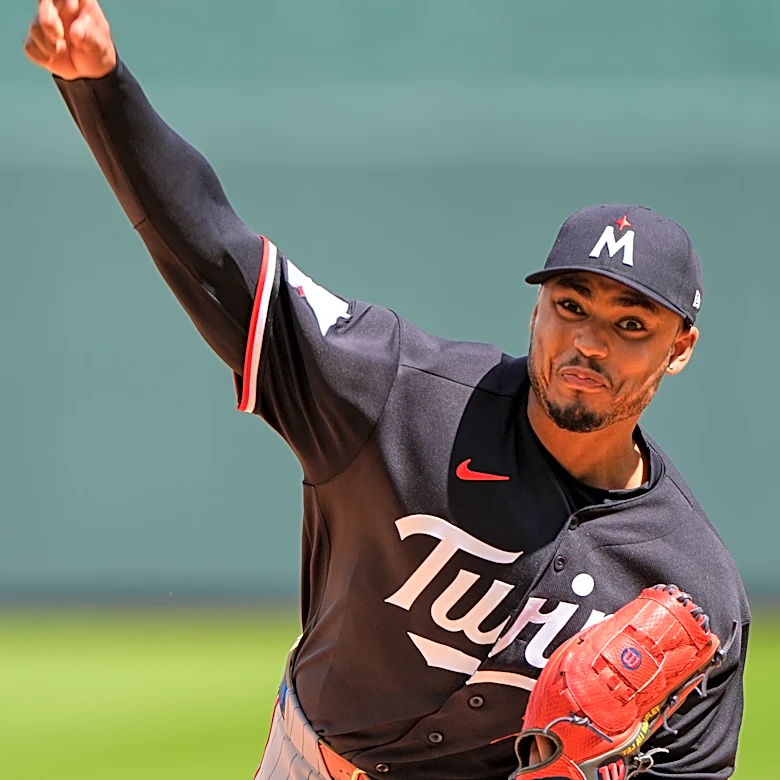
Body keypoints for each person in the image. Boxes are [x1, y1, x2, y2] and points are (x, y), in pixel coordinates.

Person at [24, 2, 750, 779]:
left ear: (681, 349)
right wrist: (98, 85)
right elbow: (220, 254)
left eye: (630, 324)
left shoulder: (694, 587)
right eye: (570, 306)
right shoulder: (398, 397)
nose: (588, 342)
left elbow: (691, 768)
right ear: (536, 308)